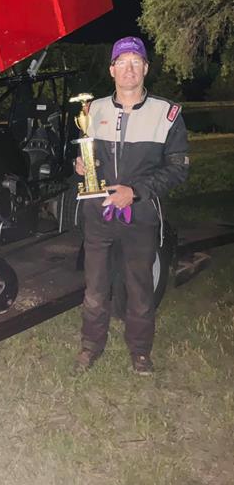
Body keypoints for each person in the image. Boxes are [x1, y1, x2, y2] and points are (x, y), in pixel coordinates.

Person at [74, 36, 189, 374]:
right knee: (94, 287)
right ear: (111, 70)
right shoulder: (92, 110)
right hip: (98, 215)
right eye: (122, 62)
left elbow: (178, 169)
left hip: (140, 215)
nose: (129, 69)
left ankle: (140, 351)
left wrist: (135, 191)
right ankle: (90, 346)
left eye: (135, 62)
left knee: (139, 287)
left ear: (145, 69)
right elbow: (86, 159)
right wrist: (81, 165)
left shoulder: (167, 114)